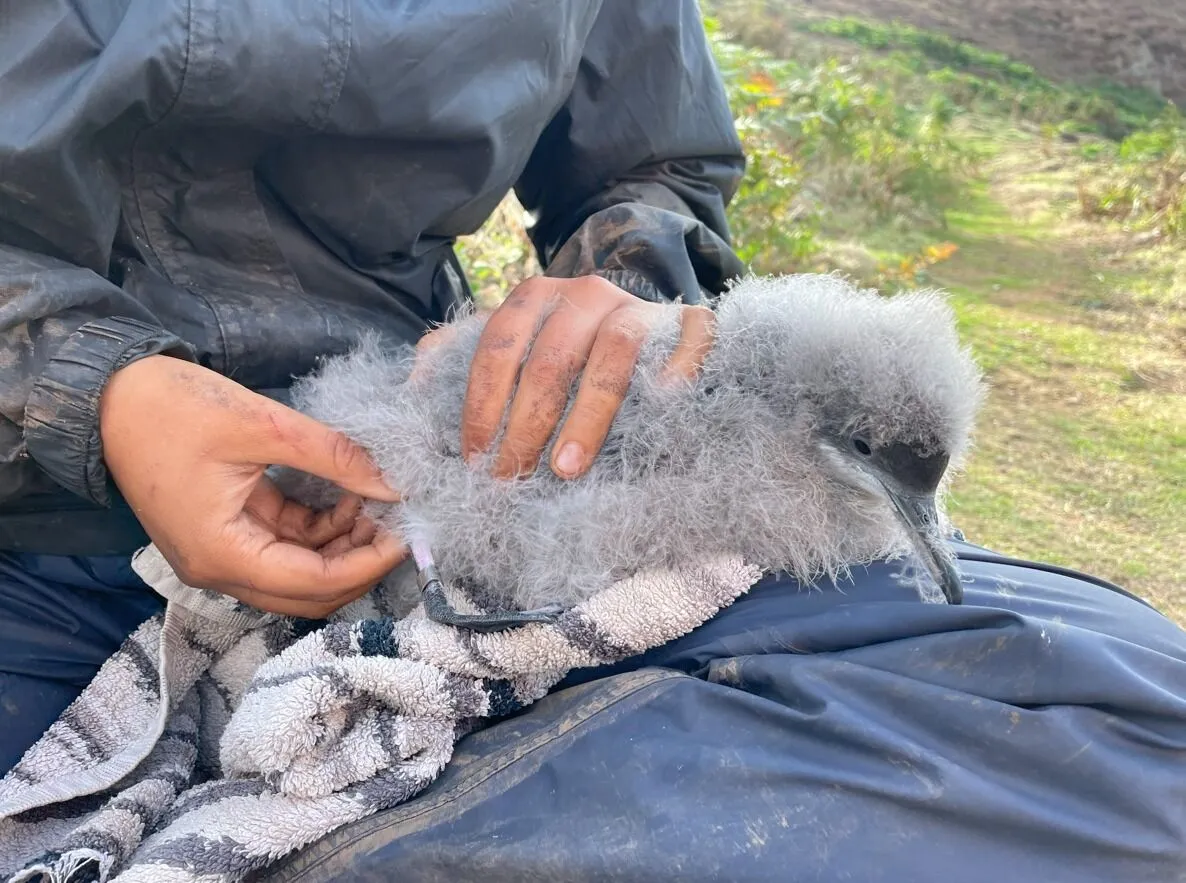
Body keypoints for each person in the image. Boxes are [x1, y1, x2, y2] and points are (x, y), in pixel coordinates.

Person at [0, 0, 743, 770]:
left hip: (418, 486)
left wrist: (624, 288)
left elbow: (660, 162)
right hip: (36, 519)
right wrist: (83, 387)